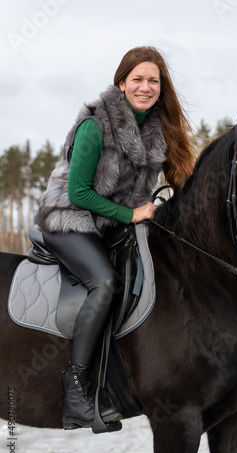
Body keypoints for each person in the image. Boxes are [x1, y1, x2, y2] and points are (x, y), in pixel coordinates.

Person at [34, 46, 195, 430]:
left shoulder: (159, 129)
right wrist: (132, 214)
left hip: (116, 227)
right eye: (137, 79)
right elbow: (79, 194)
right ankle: (76, 392)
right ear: (121, 83)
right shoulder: (94, 125)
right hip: (69, 220)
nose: (145, 87)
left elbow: (183, 179)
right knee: (104, 283)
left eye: (153, 80)